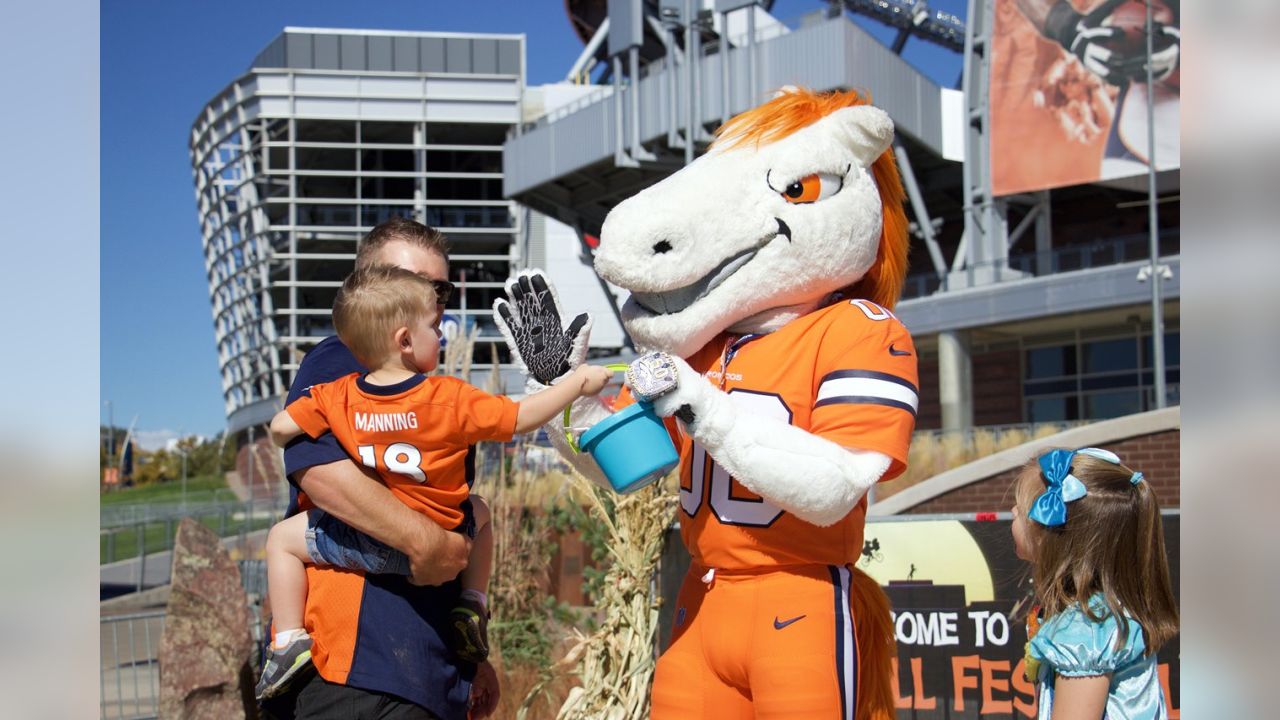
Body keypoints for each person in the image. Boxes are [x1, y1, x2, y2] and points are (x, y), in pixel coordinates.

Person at [256, 265, 612, 701]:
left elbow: (279, 428)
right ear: (405, 341)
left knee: (280, 540)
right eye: (434, 326)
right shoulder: (447, 397)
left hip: (365, 544)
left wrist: (287, 428)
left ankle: (288, 640)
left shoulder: (338, 394)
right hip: (443, 540)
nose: (441, 334)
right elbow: (520, 417)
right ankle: (473, 601)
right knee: (479, 511)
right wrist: (576, 383)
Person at [260, 217, 489, 720]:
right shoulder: (344, 359)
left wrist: (473, 665)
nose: (429, 300)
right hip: (356, 672)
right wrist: (430, 544)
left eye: (440, 289)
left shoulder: (432, 395)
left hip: (426, 676)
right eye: (410, 284)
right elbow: (319, 472)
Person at [1011, 447, 1179, 719]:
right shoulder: (1101, 616)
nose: (1014, 510)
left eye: (1024, 507)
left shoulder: (1086, 630)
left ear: (1053, 534)